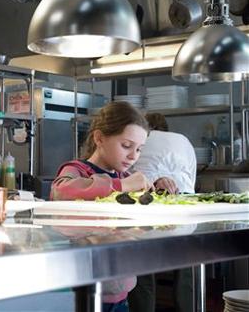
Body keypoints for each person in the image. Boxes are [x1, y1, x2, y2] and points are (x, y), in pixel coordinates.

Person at [50, 101, 175, 311]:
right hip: (86, 293)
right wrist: (121, 185)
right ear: (99, 138)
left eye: (139, 149)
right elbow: (61, 191)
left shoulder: (125, 176)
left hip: (121, 295)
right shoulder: (77, 170)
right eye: (126, 146)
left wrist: (159, 187)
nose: (133, 155)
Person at [128, 112, 196, 312]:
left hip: (145, 207)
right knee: (187, 269)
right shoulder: (182, 141)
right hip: (183, 206)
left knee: (142, 270)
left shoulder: (139, 142)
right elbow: (190, 180)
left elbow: (130, 176)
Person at [133, 113, 196, 193]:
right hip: (183, 189)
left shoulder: (140, 138)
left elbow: (128, 172)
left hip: (146, 191)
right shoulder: (183, 139)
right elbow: (191, 174)